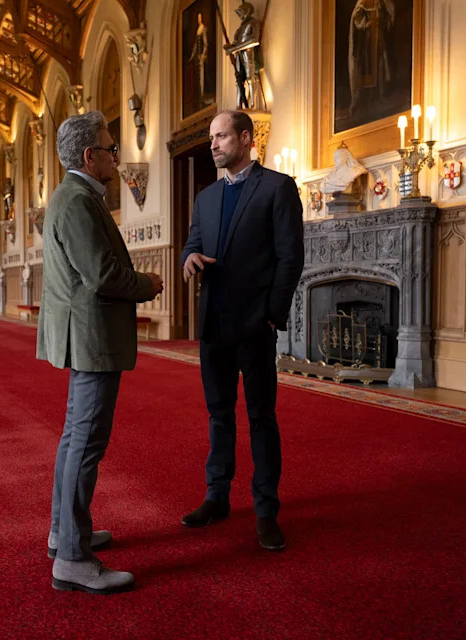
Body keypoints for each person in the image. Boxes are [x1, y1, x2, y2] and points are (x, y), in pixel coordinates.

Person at [37, 110, 163, 594]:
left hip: (87, 334)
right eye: (111, 149)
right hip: (92, 337)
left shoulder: (75, 197)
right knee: (85, 442)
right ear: (90, 157)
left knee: (75, 438)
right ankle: (71, 557)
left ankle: (65, 533)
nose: (116, 157)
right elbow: (104, 276)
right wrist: (147, 284)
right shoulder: (76, 202)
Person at [180, 110, 304, 550]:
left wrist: (273, 313)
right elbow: (193, 244)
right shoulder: (206, 197)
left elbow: (291, 257)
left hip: (255, 323)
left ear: (246, 138)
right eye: (211, 138)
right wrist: (188, 260)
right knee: (218, 415)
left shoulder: (277, 187)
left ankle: (266, 508)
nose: (213, 144)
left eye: (221, 136)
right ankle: (217, 497)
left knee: (260, 418)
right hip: (213, 322)